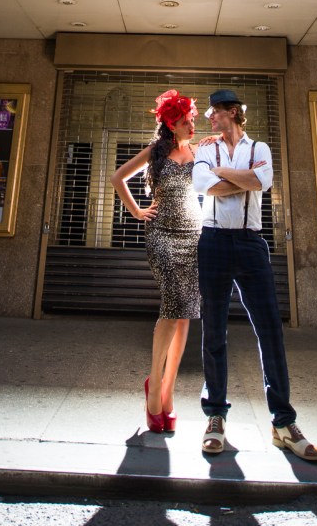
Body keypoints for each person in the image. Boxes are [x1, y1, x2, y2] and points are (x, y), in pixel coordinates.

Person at [192, 89, 317, 462]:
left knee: (270, 331)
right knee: (214, 332)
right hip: (213, 241)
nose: (209, 119)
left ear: (233, 113)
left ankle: (283, 424)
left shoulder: (260, 148)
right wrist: (238, 178)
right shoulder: (205, 150)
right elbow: (205, 186)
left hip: (251, 244)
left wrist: (225, 175)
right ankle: (215, 417)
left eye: (215, 113)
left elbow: (262, 183)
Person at [110, 88, 203, 433]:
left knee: (186, 315)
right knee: (172, 306)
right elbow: (117, 177)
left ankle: (168, 393)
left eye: (191, 119)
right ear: (169, 124)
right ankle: (153, 387)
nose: (190, 125)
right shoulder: (156, 152)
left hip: (194, 234)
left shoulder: (199, 149)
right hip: (162, 234)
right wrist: (136, 210)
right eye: (183, 122)